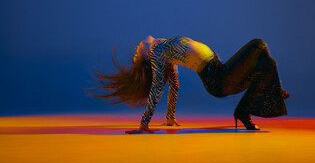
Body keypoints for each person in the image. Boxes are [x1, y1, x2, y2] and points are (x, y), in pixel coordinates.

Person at [90, 36, 289, 134]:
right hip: (216, 79)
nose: (135, 49)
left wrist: (170, 118)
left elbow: (174, 85)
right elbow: (158, 86)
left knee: (267, 64)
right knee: (258, 45)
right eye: (135, 55)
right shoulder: (157, 51)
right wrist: (144, 123)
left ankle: (244, 111)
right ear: (145, 58)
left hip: (219, 70)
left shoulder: (164, 49)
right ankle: (273, 92)